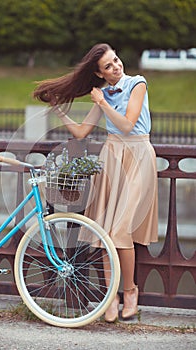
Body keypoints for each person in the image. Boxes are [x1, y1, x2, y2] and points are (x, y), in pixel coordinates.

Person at [33, 43, 158, 322]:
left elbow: (127, 124)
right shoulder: (102, 94)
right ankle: (110, 297)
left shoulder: (137, 84)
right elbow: (81, 132)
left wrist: (102, 103)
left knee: (122, 230)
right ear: (99, 73)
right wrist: (59, 110)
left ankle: (131, 292)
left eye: (116, 60)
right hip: (112, 157)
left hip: (138, 157)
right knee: (104, 231)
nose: (116, 67)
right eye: (109, 66)